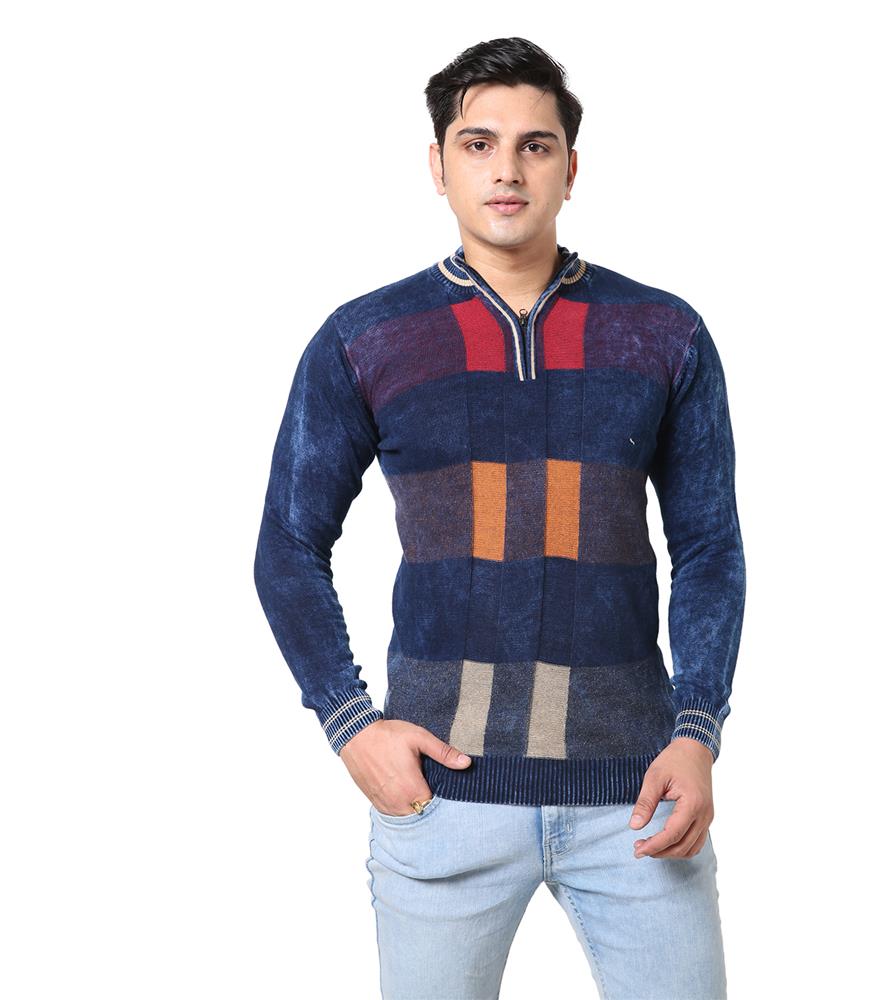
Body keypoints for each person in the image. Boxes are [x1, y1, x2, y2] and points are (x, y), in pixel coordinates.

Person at [254, 36, 746, 1000]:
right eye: (478, 144)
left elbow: (710, 550)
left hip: (639, 798)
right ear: (438, 166)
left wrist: (699, 730)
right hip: (444, 798)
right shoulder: (366, 338)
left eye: (535, 144)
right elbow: (287, 547)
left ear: (572, 166)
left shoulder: (663, 332)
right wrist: (351, 726)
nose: (508, 169)